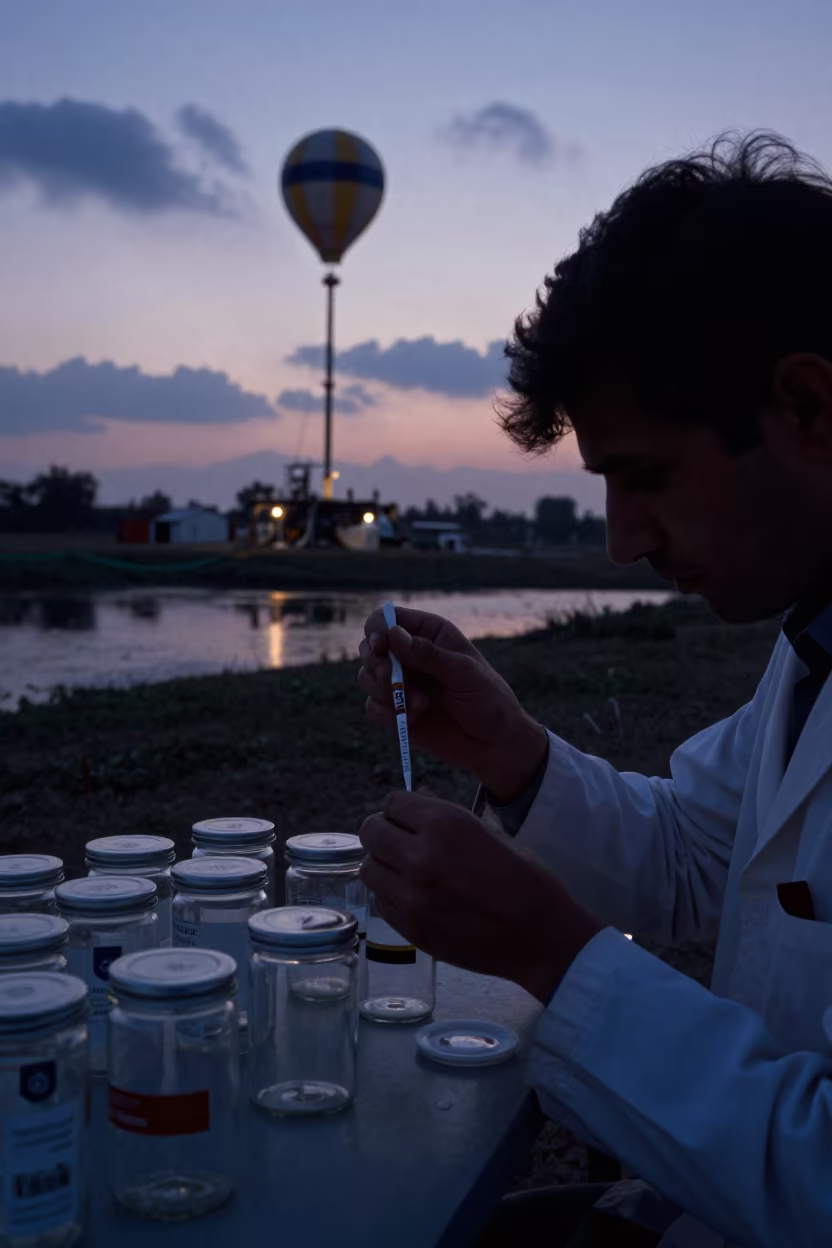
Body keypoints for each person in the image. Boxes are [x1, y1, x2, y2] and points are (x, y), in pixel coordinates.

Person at [356, 133, 832, 1248]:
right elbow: (705, 854)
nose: (621, 543)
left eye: (646, 476)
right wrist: (514, 755)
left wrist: (550, 958)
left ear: (808, 407)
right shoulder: (813, 635)